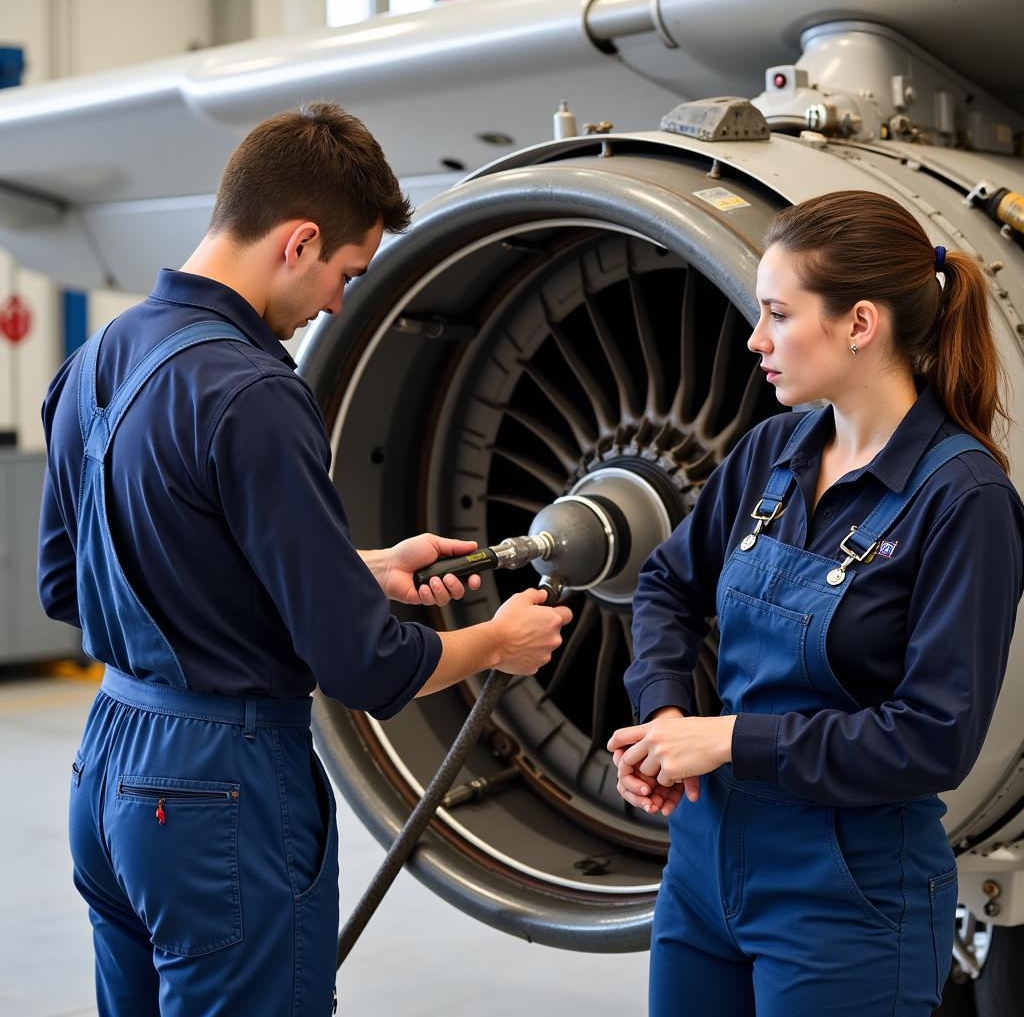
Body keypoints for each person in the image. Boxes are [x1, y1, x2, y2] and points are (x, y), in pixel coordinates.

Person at [38, 102, 572, 1017]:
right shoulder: (253, 392)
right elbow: (362, 665)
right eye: (345, 274)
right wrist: (496, 642)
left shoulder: (100, 358)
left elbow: (76, 579)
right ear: (299, 240)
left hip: (109, 773)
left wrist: (347, 567)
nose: (335, 304)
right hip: (219, 788)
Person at [607, 190, 1024, 1016]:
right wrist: (661, 722)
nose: (756, 340)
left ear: (859, 324)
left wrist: (727, 738)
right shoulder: (775, 449)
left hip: (846, 893)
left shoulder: (964, 499)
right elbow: (665, 584)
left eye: (777, 314)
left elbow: (933, 740)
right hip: (703, 864)